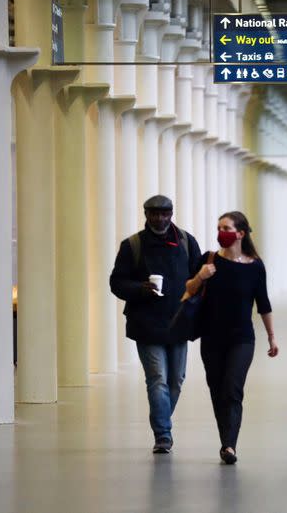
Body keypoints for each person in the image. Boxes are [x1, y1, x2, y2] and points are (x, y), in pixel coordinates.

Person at [109, 195, 202, 454]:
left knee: (176, 380)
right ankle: (163, 434)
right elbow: (116, 282)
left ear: (172, 213)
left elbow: (199, 278)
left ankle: (163, 420)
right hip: (147, 324)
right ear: (145, 214)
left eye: (164, 213)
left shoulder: (186, 241)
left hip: (179, 322)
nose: (159, 218)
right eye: (154, 214)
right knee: (158, 379)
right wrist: (140, 288)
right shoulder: (133, 245)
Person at [188, 211, 277, 465]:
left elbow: (263, 304)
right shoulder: (209, 260)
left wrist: (272, 337)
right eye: (218, 227)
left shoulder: (255, 266)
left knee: (232, 389)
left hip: (242, 339)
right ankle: (225, 440)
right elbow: (189, 289)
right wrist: (201, 276)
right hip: (211, 337)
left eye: (226, 227)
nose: (221, 232)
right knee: (217, 391)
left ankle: (229, 446)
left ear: (240, 233)